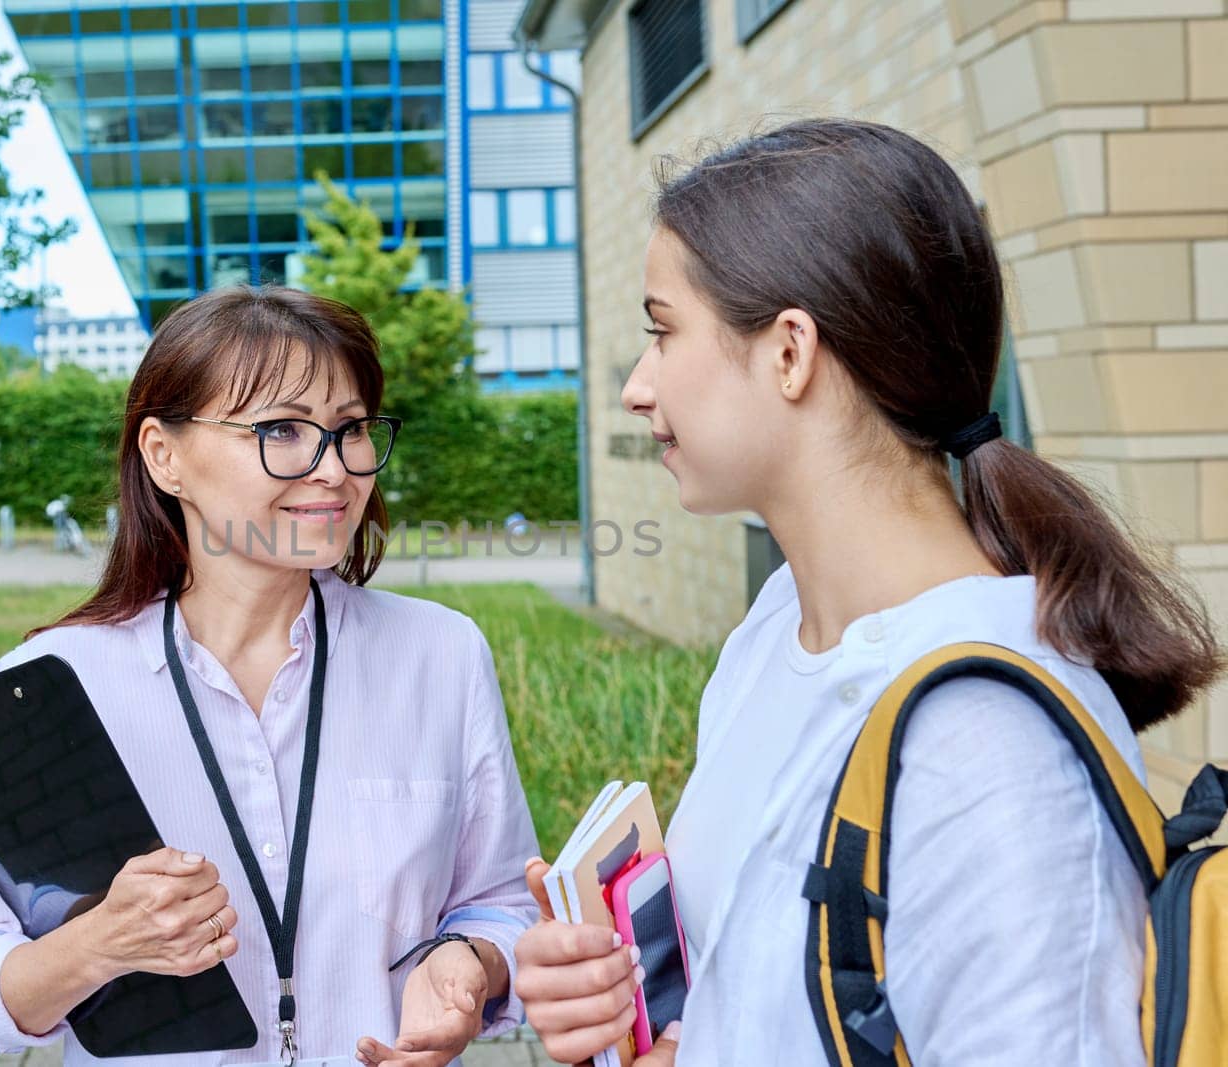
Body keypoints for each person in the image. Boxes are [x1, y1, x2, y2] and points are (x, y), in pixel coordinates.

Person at [513, 119, 1222, 1066]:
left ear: (790, 352)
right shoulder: (773, 634)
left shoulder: (987, 746)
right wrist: (620, 1003)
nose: (640, 386)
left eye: (662, 330)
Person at [0, 286, 539, 1065]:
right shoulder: (49, 686)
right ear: (164, 455)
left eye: (350, 430)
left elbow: (500, 903)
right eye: (282, 429)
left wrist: (472, 966)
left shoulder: (441, 655)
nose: (335, 469)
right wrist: (99, 946)